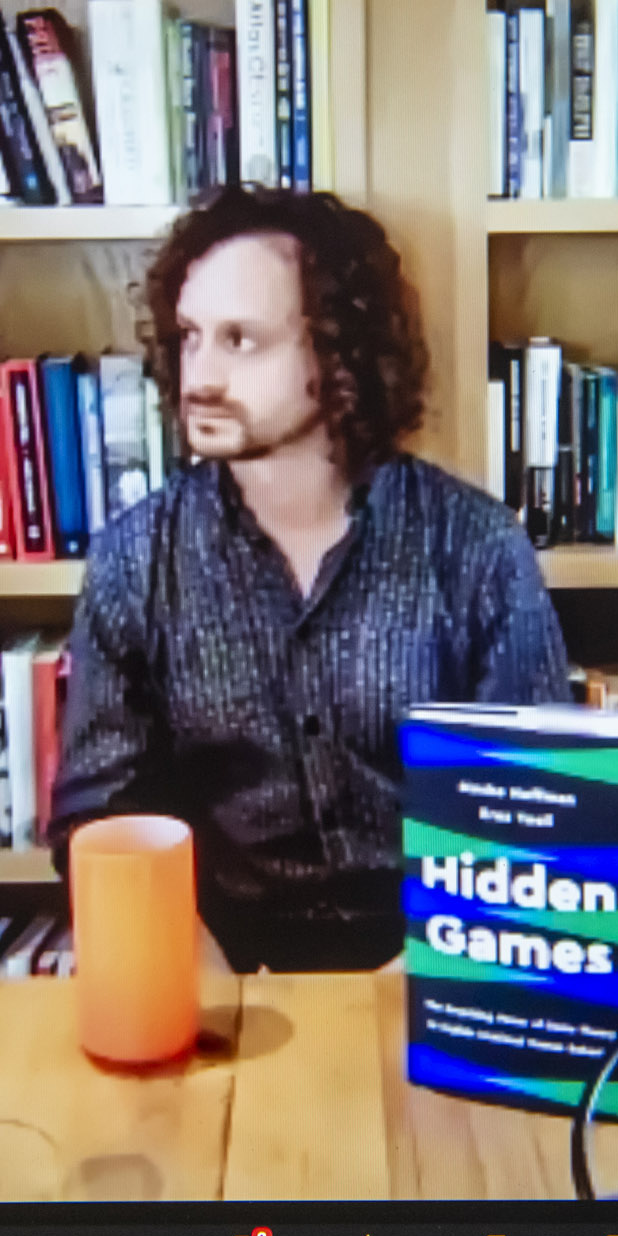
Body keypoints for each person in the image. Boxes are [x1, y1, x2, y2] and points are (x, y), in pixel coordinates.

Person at [49, 186, 571, 972]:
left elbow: (534, 811)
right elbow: (101, 818)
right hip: (218, 964)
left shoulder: (478, 547)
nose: (200, 374)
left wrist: (426, 987)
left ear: (336, 354)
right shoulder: (135, 559)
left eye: (241, 340)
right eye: (190, 337)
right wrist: (202, 985)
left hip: (442, 961)